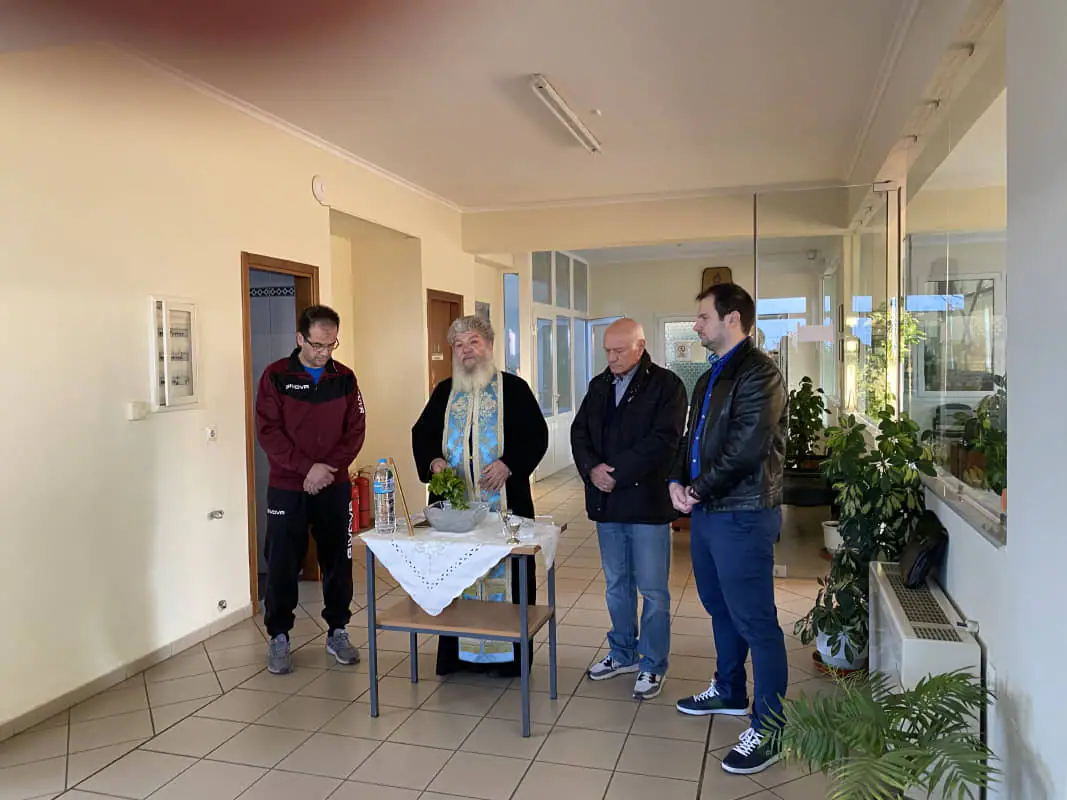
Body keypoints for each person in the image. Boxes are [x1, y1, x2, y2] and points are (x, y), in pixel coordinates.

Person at [669, 283, 789, 776]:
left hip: (742, 512)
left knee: (756, 621)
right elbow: (690, 438)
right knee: (718, 606)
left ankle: (770, 727)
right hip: (708, 512)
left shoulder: (760, 373)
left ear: (732, 319)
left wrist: (696, 490)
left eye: (703, 317)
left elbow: (746, 448)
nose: (696, 325)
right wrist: (676, 481)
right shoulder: (709, 375)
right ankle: (730, 689)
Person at [412, 316, 548, 677]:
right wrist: (434, 461)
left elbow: (536, 435)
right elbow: (422, 433)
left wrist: (509, 464)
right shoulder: (445, 391)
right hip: (456, 514)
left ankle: (509, 660)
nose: (466, 350)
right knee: (458, 577)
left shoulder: (514, 389)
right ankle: (459, 657)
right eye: (458, 345)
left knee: (510, 576)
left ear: (489, 345)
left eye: (473, 341)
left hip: (505, 506)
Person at [571, 318, 687, 701]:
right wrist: (592, 469)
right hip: (607, 504)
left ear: (640, 346)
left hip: (647, 505)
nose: (611, 358)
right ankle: (622, 653)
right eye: (607, 350)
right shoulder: (599, 386)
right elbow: (579, 433)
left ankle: (652, 662)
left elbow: (663, 441)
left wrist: (616, 474)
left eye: (619, 350)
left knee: (652, 590)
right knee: (616, 585)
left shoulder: (666, 386)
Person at [255, 305, 366, 675]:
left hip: (333, 484)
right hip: (288, 486)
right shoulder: (276, 376)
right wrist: (307, 469)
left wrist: (327, 469)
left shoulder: (344, 378)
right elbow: (268, 432)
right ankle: (279, 636)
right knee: (282, 560)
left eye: (331, 345)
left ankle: (338, 631)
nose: (323, 352)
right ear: (300, 338)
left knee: (338, 559)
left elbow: (355, 430)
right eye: (317, 345)